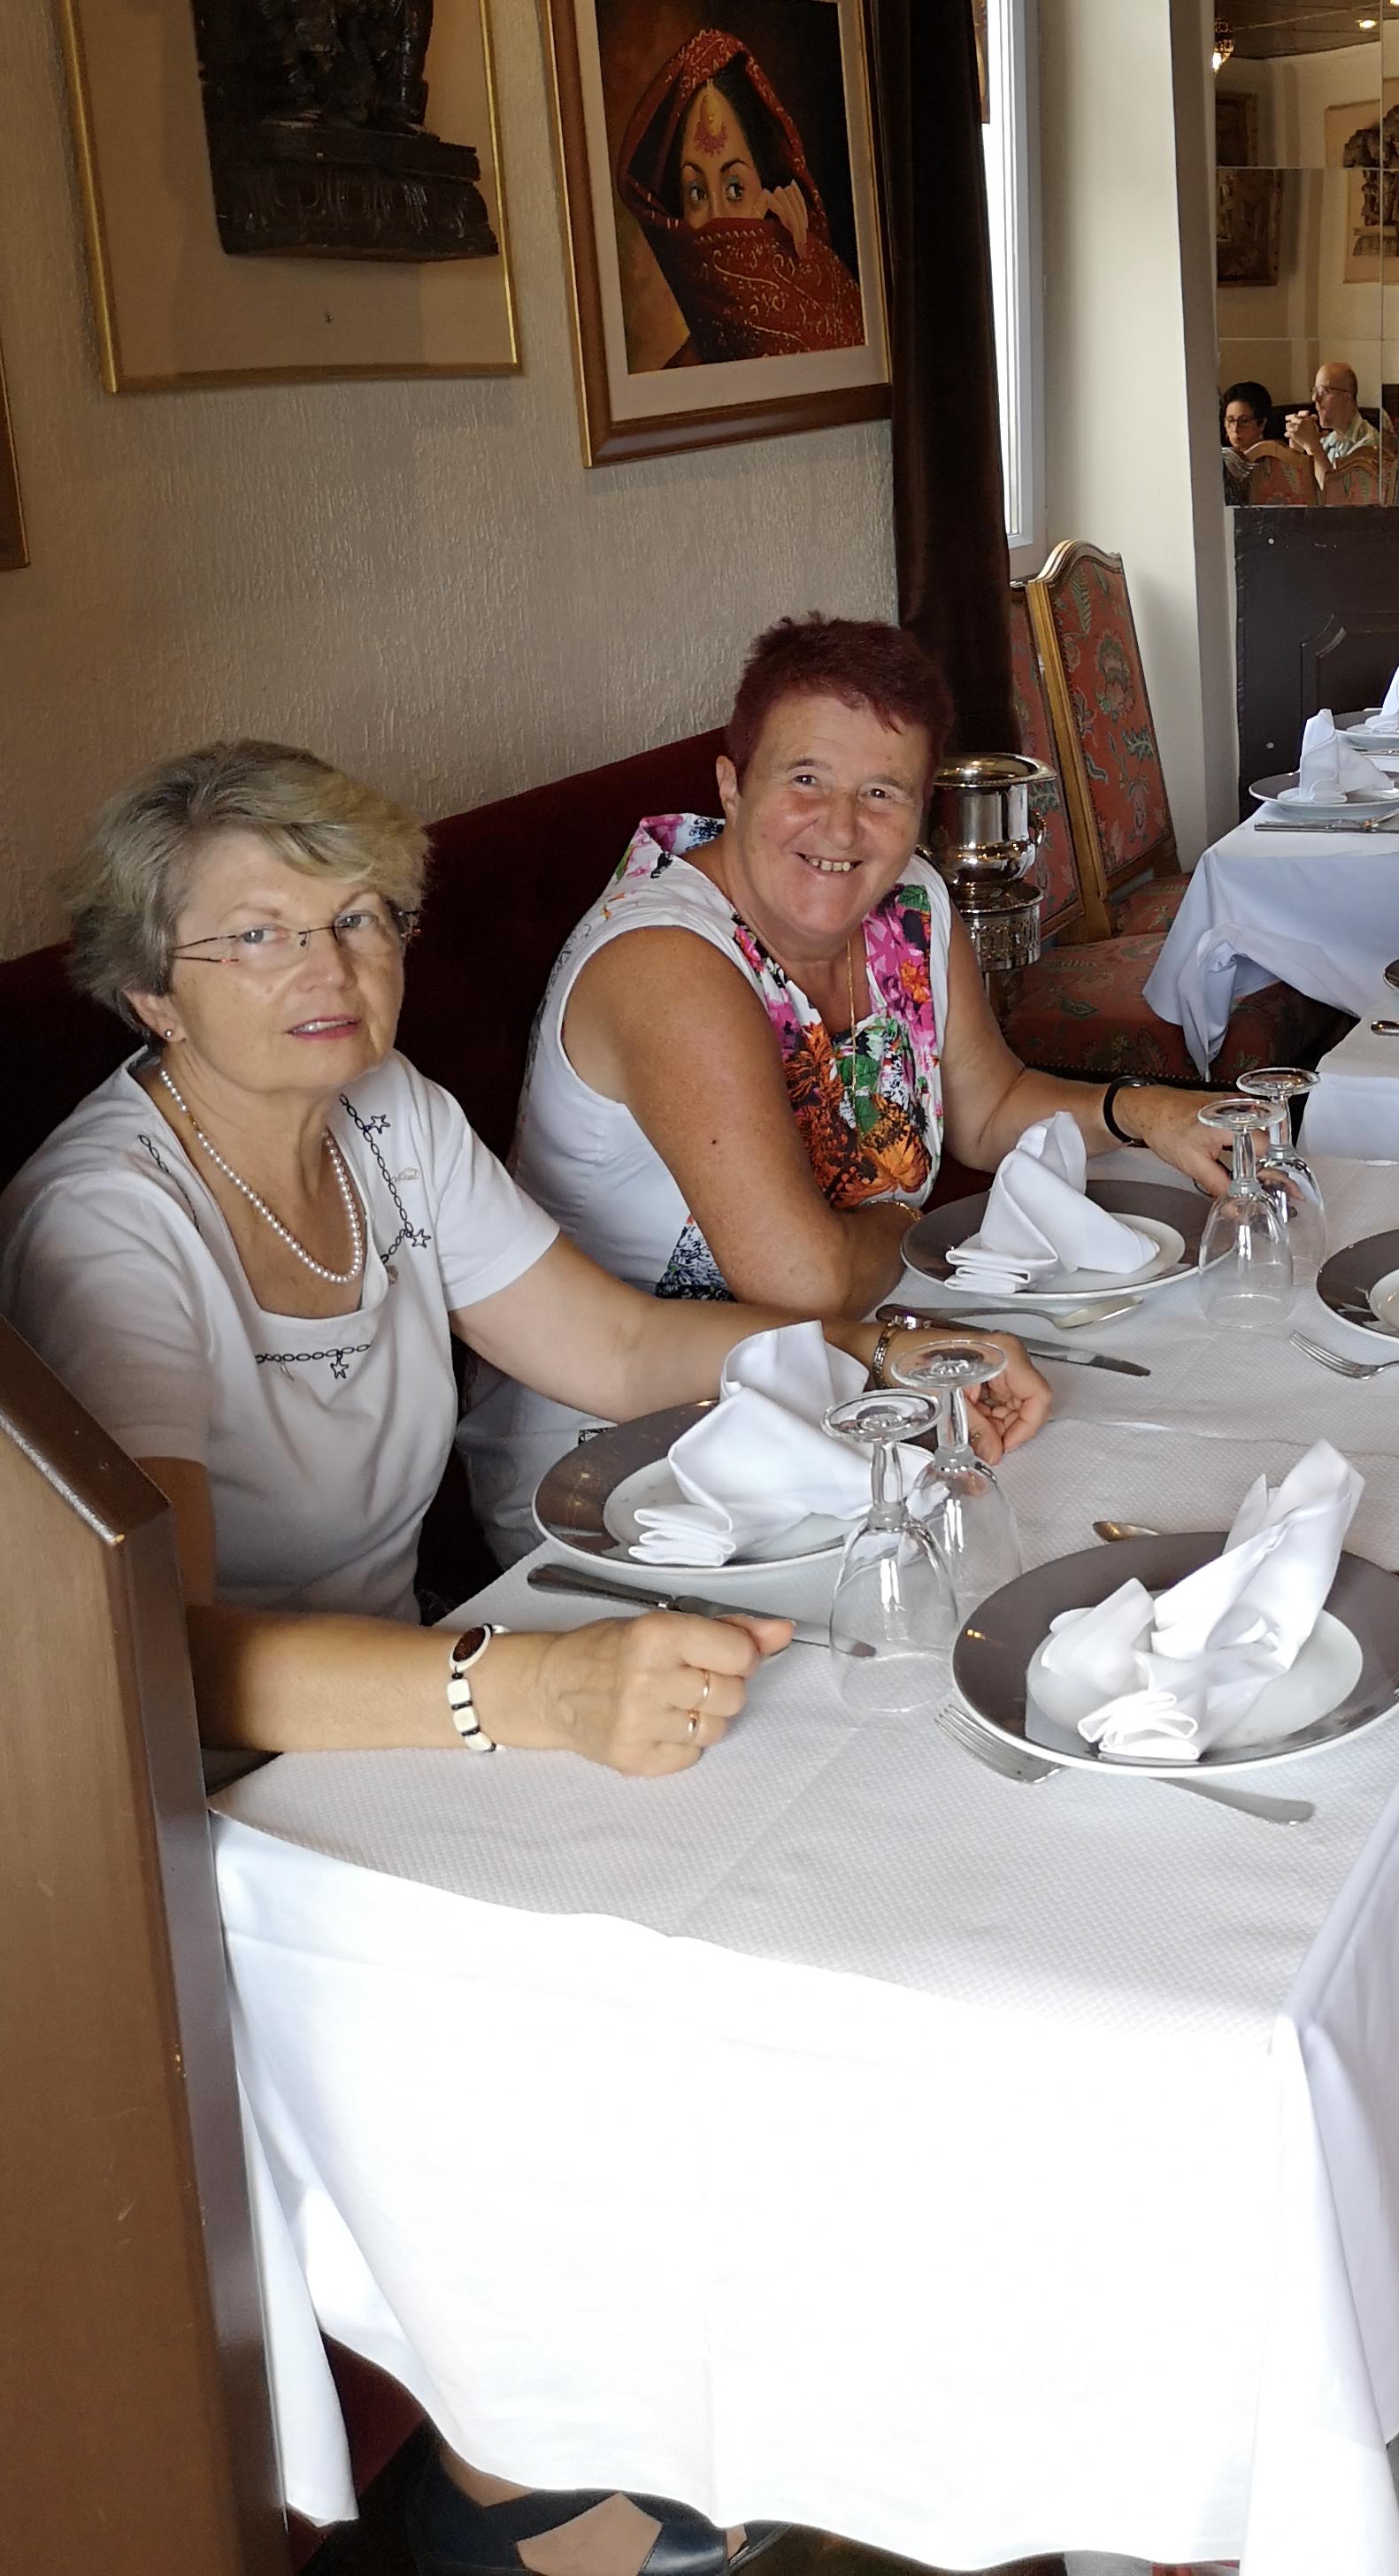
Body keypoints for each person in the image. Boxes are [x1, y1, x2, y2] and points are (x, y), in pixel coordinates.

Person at [0, 737, 1052, 2572]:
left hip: (408, 1695)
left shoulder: (387, 1118)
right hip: (207, 1794)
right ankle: (512, 2476)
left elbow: (612, 1344)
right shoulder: (113, 1223)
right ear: (151, 987)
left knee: (786, 1819)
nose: (330, 967)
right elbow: (163, 1664)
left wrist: (874, 1360)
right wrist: (532, 1692)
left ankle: (750, 2357)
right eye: (259, 934)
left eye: (360, 917)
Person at [457, 615, 1228, 1556]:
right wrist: (907, 1222)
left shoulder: (908, 902)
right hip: (638, 1467)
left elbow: (988, 1109)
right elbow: (802, 1280)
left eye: (881, 791)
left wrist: (1146, 1111)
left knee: (1132, 1470)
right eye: (806, 779)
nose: (841, 826)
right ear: (732, 785)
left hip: (850, 1374)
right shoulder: (667, 960)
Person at [614, 25, 866, 367]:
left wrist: (800, 269)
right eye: (696, 193)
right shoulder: (679, 375)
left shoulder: (832, 310)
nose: (718, 216)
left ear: (766, 184)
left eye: (735, 189)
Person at [1285, 360, 1389, 494]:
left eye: (1323, 391)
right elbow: (1299, 491)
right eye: (1315, 391)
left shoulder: (1368, 445)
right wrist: (1297, 449)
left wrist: (1313, 446)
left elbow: (1335, 496)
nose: (1315, 399)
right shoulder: (1330, 440)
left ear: (1346, 398)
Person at [1220, 378, 1279, 501]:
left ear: (1261, 424)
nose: (1235, 428)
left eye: (1243, 421)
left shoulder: (1278, 460)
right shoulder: (1223, 461)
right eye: (1230, 420)